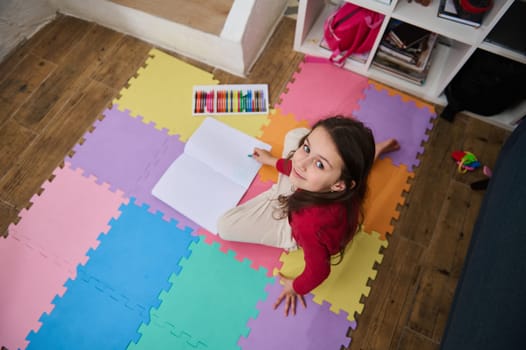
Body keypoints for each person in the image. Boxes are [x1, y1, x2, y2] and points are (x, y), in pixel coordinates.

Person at [217, 115, 399, 316]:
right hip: (312, 191)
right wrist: (272, 161)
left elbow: (319, 271)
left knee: (225, 226)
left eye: (320, 164)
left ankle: (280, 191)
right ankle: (348, 155)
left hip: (294, 225)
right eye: (307, 148)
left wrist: (295, 287)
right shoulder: (344, 186)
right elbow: (298, 165)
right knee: (298, 136)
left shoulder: (308, 224)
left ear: (339, 185)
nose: (302, 162)